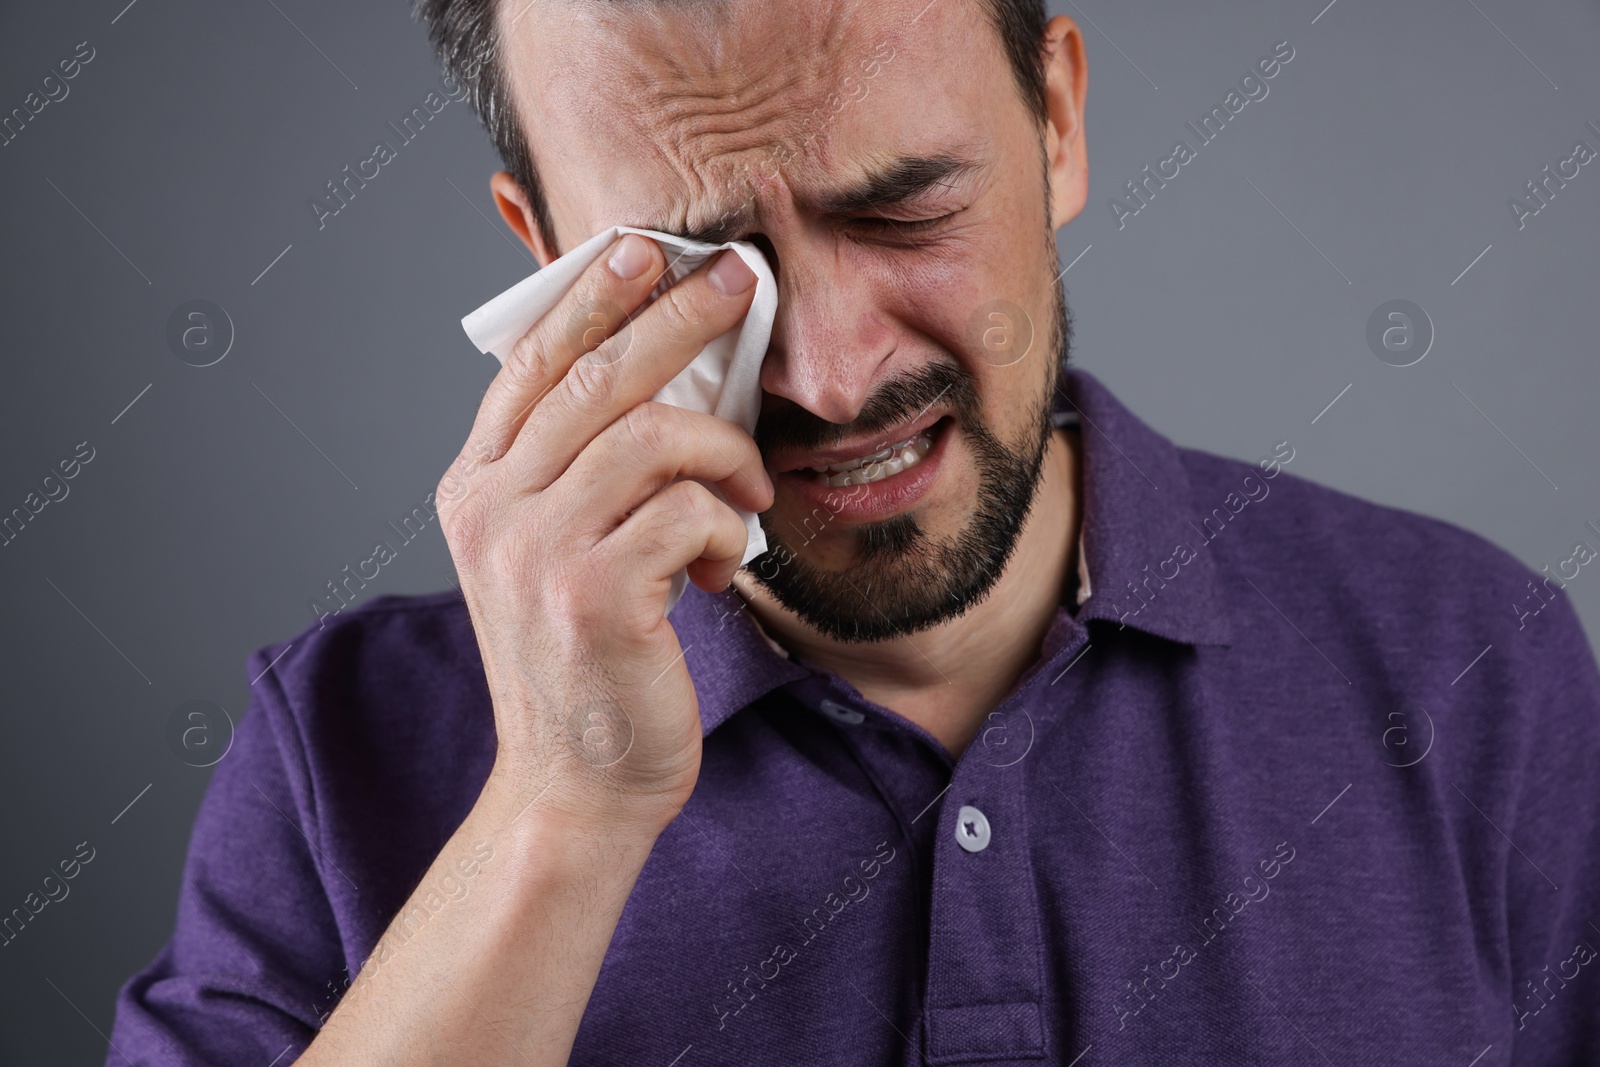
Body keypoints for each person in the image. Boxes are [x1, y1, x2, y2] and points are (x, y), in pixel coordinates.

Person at [107, 0, 1600, 1063]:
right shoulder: (337, 750)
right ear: (547, 260)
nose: (830, 372)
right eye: (708, 266)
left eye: (904, 214)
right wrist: (560, 813)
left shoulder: (1478, 666)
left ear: (1059, 121)